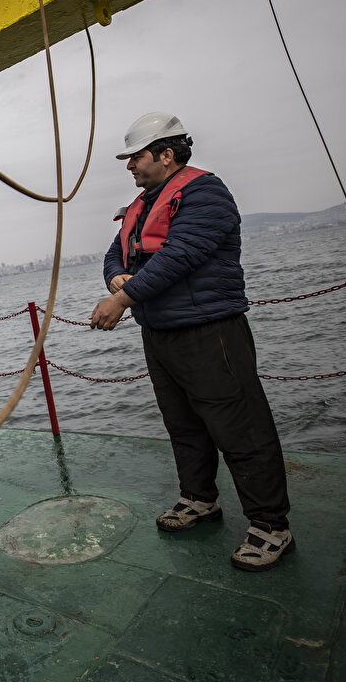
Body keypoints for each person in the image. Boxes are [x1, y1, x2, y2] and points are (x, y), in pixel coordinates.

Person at [89, 112, 293, 572]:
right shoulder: (143, 204)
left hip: (209, 330)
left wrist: (122, 297)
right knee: (183, 424)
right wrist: (117, 276)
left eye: (135, 156)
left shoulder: (205, 193)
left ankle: (271, 525)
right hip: (160, 332)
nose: (129, 166)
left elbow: (181, 255)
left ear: (166, 154)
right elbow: (112, 253)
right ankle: (200, 499)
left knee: (240, 428)